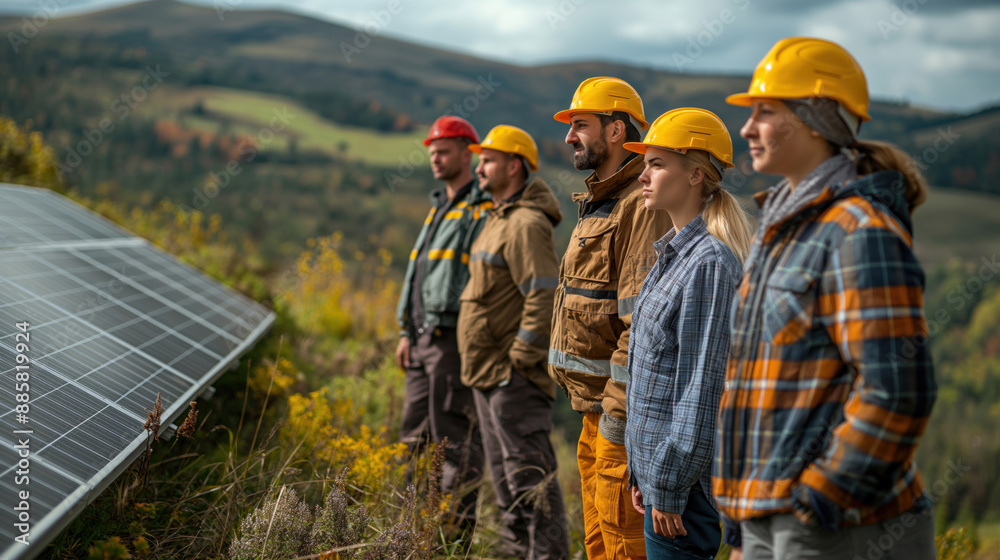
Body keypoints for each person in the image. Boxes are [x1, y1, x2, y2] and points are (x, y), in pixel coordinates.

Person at [713, 37, 938, 560]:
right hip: (769, 519)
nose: (746, 128)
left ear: (816, 119)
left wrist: (821, 499)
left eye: (765, 111)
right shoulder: (782, 228)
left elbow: (898, 387)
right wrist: (748, 524)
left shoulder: (859, 231)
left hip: (836, 525)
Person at [549, 76, 673, 560]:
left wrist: (617, 419)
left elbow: (640, 325)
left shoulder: (638, 207)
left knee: (623, 548)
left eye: (580, 124)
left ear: (616, 130)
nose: (568, 136)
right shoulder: (601, 201)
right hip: (591, 410)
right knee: (599, 545)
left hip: (618, 416)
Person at [621, 108, 753, 560]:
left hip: (684, 494)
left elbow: (701, 386)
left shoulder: (709, 264)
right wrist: (645, 475)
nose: (643, 176)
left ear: (696, 174)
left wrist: (670, 483)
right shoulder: (674, 256)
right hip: (660, 482)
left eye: (657, 165)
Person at [457, 124, 570, 560]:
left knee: (531, 483)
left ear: (513, 165)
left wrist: (520, 362)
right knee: (507, 489)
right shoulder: (497, 218)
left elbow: (543, 295)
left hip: (511, 381)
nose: (479, 167)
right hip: (487, 375)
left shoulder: (525, 224)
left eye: (487, 160)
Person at [395, 115, 490, 533]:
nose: (435, 158)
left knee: (454, 444)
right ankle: (409, 533)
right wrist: (405, 331)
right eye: (432, 152)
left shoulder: (480, 207)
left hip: (451, 342)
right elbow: (418, 278)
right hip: (419, 341)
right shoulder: (440, 207)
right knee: (412, 443)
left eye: (444, 151)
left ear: (467, 154)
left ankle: (451, 538)